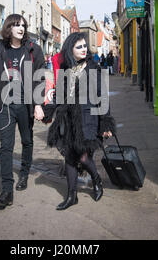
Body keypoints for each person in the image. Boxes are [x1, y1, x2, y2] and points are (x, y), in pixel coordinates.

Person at [42, 32, 116, 210]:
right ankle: (71, 195)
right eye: (79, 47)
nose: (83, 49)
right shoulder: (67, 70)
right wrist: (48, 112)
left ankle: (96, 179)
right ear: (70, 50)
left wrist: (105, 123)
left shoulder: (93, 68)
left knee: (83, 157)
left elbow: (102, 97)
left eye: (84, 46)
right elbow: (59, 97)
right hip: (68, 120)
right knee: (69, 157)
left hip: (87, 119)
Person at [0, 14, 45, 210]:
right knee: (6, 146)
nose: (21, 28)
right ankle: (7, 190)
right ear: (8, 28)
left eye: (23, 25)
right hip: (5, 106)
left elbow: (39, 78)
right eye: (16, 25)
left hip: (26, 105)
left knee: (27, 141)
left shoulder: (34, 49)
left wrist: (38, 104)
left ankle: (25, 173)